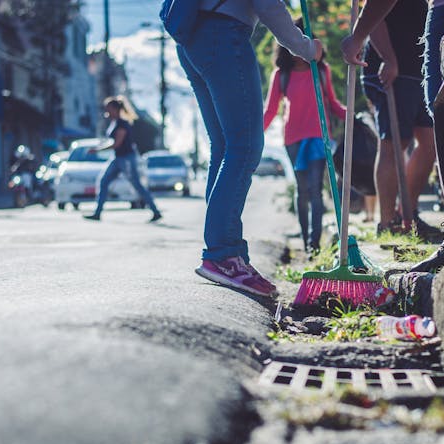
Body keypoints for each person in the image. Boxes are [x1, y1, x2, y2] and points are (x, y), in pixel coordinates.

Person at [177, 0, 323, 298]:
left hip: (191, 38)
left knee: (225, 147)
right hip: (223, 36)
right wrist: (306, 48)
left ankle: (228, 253)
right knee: (243, 147)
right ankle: (224, 255)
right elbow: (268, 5)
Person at [264, 20, 346, 255]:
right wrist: (253, 136)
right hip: (293, 140)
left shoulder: (321, 70)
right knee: (302, 191)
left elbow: (331, 102)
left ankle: (314, 244)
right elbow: (270, 111)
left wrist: (352, 116)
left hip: (318, 138)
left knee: (316, 190)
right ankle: (305, 240)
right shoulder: (281, 75)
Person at [361, 0, 438, 237]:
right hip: (389, 70)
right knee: (394, 144)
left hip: (418, 71)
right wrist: (389, 59)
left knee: (430, 143)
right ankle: (387, 223)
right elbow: (372, 17)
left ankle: (408, 213)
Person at [84, 96, 162, 222]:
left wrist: (97, 150)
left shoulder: (122, 124)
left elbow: (117, 144)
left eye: (108, 109)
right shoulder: (114, 122)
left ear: (115, 109)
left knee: (137, 185)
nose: (107, 112)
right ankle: (97, 213)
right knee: (103, 181)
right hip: (117, 158)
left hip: (126, 158)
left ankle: (155, 211)